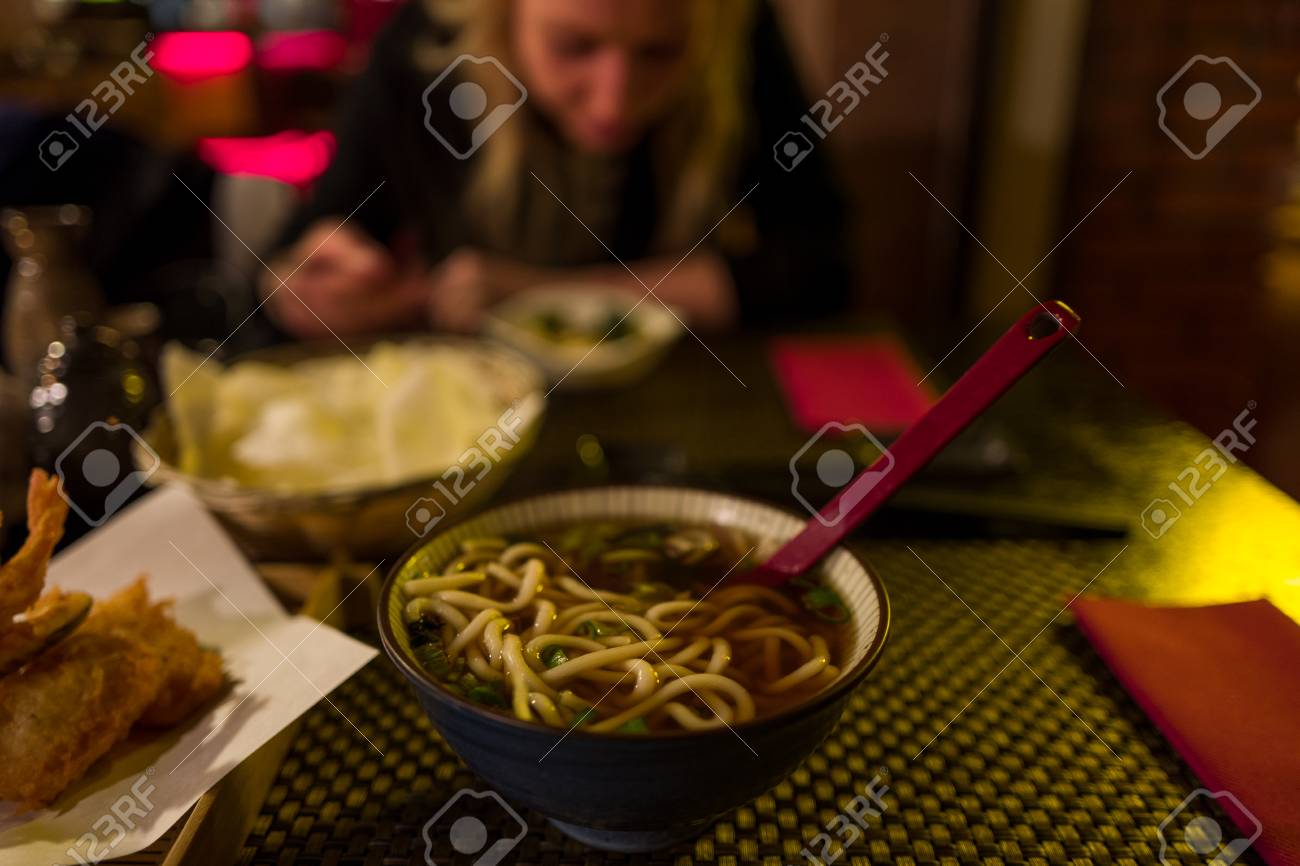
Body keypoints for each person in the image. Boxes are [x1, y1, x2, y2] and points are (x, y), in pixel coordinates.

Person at [264, 0, 851, 338]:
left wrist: (533, 293)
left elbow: (822, 265)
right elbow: (299, 251)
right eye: (574, 47)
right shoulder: (425, 45)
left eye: (660, 53)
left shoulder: (736, 28)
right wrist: (317, 283)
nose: (612, 104)